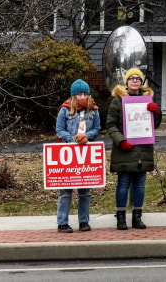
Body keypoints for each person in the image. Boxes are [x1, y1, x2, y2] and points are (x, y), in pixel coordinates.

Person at [106, 68, 162, 230]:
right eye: (132, 78)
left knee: (140, 185)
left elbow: (155, 125)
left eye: (138, 78)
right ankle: (121, 217)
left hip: (142, 150)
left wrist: (156, 112)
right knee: (123, 184)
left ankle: (137, 217)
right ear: (127, 82)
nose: (135, 81)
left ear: (142, 82)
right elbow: (110, 125)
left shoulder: (147, 100)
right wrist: (121, 141)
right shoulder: (118, 101)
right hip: (125, 149)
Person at [55, 79, 101, 233]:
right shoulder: (65, 110)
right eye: (79, 94)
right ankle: (62, 222)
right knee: (65, 190)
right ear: (74, 95)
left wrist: (86, 136)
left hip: (86, 153)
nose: (82, 97)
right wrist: (71, 139)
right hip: (68, 153)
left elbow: (97, 128)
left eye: (85, 94)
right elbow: (59, 129)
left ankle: (84, 221)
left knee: (85, 190)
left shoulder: (93, 110)